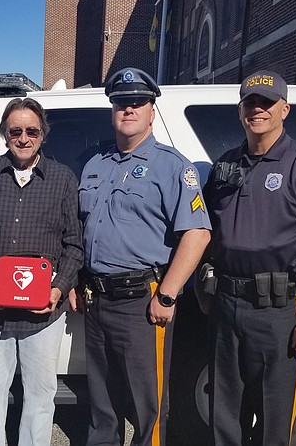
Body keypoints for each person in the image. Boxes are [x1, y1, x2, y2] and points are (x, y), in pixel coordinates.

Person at [202, 70, 296, 445]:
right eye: (250, 102)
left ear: (284, 109)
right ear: (240, 111)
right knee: (224, 412)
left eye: (267, 103)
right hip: (226, 303)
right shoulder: (224, 166)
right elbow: (204, 233)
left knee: (274, 417)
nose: (258, 109)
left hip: (279, 311)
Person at [73, 67, 211, 446]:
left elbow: (197, 233)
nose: (128, 109)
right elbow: (83, 229)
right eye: (121, 102)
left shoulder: (172, 166)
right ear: (112, 109)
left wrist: (166, 295)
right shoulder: (95, 163)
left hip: (143, 303)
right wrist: (76, 279)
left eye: (138, 102)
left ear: (152, 111)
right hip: (97, 300)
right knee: (102, 403)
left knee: (148, 404)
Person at [0, 97, 83, 446]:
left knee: (40, 398)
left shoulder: (62, 179)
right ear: (4, 134)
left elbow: (74, 244)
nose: (24, 138)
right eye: (16, 130)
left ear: (43, 134)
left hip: (43, 313)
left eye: (32, 130)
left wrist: (58, 289)